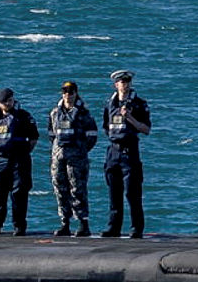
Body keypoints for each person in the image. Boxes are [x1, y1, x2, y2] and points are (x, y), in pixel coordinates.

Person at [101, 69, 153, 238]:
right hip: (113, 151)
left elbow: (146, 129)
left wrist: (130, 117)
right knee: (113, 192)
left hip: (130, 151)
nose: (125, 85)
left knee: (132, 192)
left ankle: (136, 228)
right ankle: (113, 227)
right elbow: (105, 127)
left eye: (127, 82)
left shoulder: (139, 104)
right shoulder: (110, 104)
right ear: (116, 84)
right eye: (121, 82)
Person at [0, 88, 41, 236]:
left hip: (19, 159)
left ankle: (19, 225)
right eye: (4, 101)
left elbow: (34, 138)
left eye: (10, 100)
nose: (8, 103)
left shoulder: (23, 116)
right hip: (1, 160)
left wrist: (23, 152)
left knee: (19, 192)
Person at [47, 79, 98, 237]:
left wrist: (79, 150)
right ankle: (65, 223)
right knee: (60, 189)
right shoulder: (55, 113)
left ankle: (83, 222)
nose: (67, 95)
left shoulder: (84, 113)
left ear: (76, 94)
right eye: (65, 92)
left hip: (77, 158)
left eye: (71, 92)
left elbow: (92, 136)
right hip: (59, 157)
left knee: (78, 189)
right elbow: (51, 134)